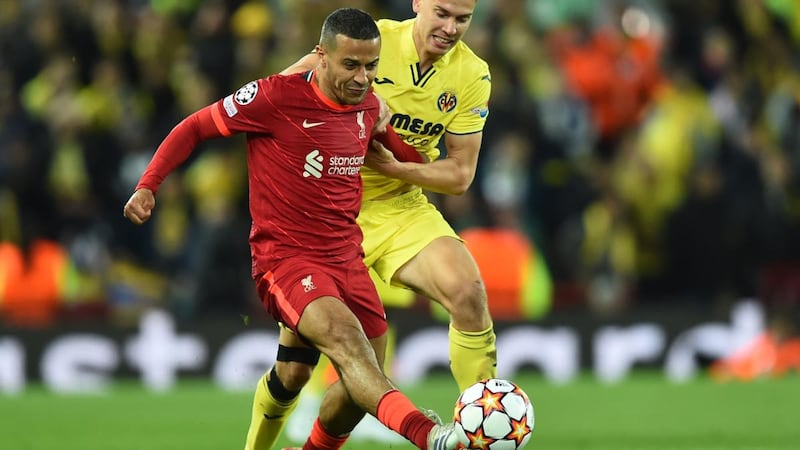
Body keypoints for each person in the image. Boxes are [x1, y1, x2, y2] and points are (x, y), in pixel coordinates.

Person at [123, 7, 460, 450]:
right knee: (348, 346)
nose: (362, 78)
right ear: (321, 56)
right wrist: (149, 185)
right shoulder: (273, 98)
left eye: (372, 66)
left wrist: (392, 135)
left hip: (347, 260)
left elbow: (410, 166)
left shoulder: (370, 105)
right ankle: (431, 437)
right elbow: (195, 127)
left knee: (326, 378)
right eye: (351, 65)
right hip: (286, 260)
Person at [246, 0, 496, 448]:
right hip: (328, 210)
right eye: (441, 13)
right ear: (418, 2)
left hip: (401, 208)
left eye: (463, 19)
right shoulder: (369, 43)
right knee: (294, 370)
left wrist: (393, 167)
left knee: (467, 292)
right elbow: (280, 95)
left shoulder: (473, 75)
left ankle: (479, 429)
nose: (450, 28)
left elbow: (459, 176)